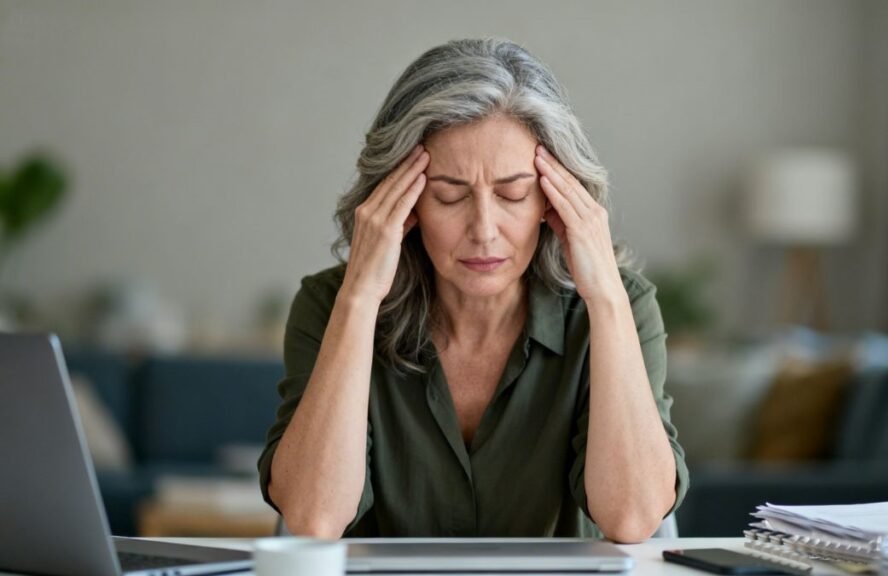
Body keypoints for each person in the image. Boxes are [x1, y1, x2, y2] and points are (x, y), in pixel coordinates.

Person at [258, 38, 688, 542]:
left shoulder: (623, 306)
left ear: (555, 197)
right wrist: (359, 299)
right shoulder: (330, 304)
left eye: (513, 193)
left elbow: (634, 519)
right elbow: (313, 520)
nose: (484, 229)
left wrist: (605, 298)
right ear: (401, 200)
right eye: (449, 195)